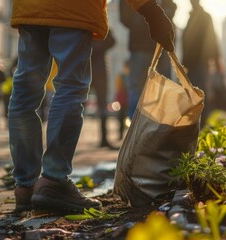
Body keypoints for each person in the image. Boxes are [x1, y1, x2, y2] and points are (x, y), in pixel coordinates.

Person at [9, 0, 175, 213]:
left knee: (25, 93)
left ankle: (25, 186)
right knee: (70, 87)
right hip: (73, 9)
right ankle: (53, 179)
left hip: (29, 7)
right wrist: (150, 10)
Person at [120, 0, 177, 119]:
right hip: (142, 46)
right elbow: (124, 15)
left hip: (159, 45)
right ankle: (137, 127)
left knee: (163, 88)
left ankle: (161, 125)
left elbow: (172, 6)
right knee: (139, 88)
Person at [182, 0, 224, 125]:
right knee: (195, 95)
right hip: (193, 64)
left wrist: (217, 61)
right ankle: (196, 123)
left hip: (200, 62)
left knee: (199, 93)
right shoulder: (192, 16)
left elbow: (211, 39)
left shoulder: (203, 17)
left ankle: (201, 123)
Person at [91, 29, 117, 149]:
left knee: (76, 102)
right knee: (102, 104)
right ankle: (104, 139)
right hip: (99, 69)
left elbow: (112, 41)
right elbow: (112, 41)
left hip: (85, 67)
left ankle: (104, 139)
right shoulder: (100, 25)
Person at [114, 60, 130, 140]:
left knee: (122, 118)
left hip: (125, 101)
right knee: (123, 118)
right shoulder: (128, 76)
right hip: (124, 100)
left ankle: (122, 135)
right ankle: (122, 135)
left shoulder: (122, 76)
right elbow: (118, 88)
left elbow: (117, 87)